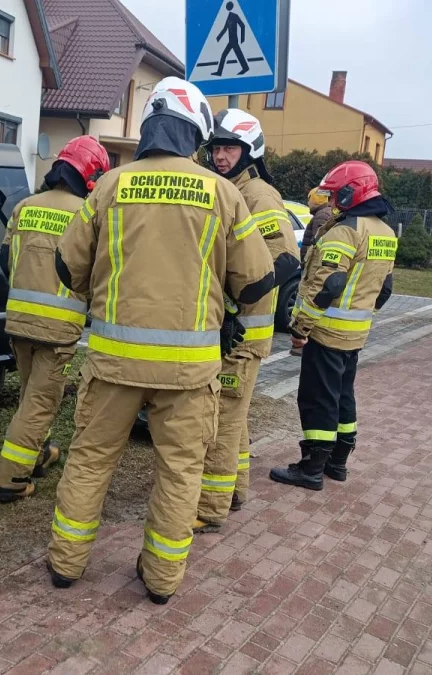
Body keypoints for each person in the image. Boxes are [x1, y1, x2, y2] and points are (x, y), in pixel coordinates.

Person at [48, 77, 275, 604]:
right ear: (195, 133)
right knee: (179, 473)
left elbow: (66, 265)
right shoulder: (222, 192)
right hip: (190, 373)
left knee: (89, 460)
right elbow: (259, 279)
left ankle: (66, 564)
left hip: (112, 366)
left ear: (149, 127)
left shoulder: (109, 186)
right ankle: (161, 580)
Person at [194, 109, 300, 531]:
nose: (220, 156)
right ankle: (235, 490)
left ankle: (209, 508)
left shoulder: (257, 194)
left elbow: (285, 260)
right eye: (216, 148)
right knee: (233, 418)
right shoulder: (228, 188)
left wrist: (236, 307)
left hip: (244, 332)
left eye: (229, 148)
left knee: (221, 419)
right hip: (234, 329)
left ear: (249, 150)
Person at [0, 136, 110, 504]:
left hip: (19, 321)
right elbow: (95, 270)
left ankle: (39, 454)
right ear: (91, 177)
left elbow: (4, 259)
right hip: (57, 329)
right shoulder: (86, 212)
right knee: (41, 402)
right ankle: (10, 479)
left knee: (31, 395)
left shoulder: (25, 206)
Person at [271, 161, 397, 491]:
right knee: (343, 395)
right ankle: (338, 463)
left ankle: (312, 468)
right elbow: (384, 289)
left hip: (326, 333)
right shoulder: (385, 232)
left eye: (334, 195)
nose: (331, 202)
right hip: (356, 334)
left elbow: (326, 287)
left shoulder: (345, 231)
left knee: (317, 399)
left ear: (349, 191)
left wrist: (300, 328)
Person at [300, 186, 335, 261]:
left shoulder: (322, 215)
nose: (308, 203)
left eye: (309, 199)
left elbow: (317, 243)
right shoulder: (326, 212)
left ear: (315, 200)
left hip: (313, 262)